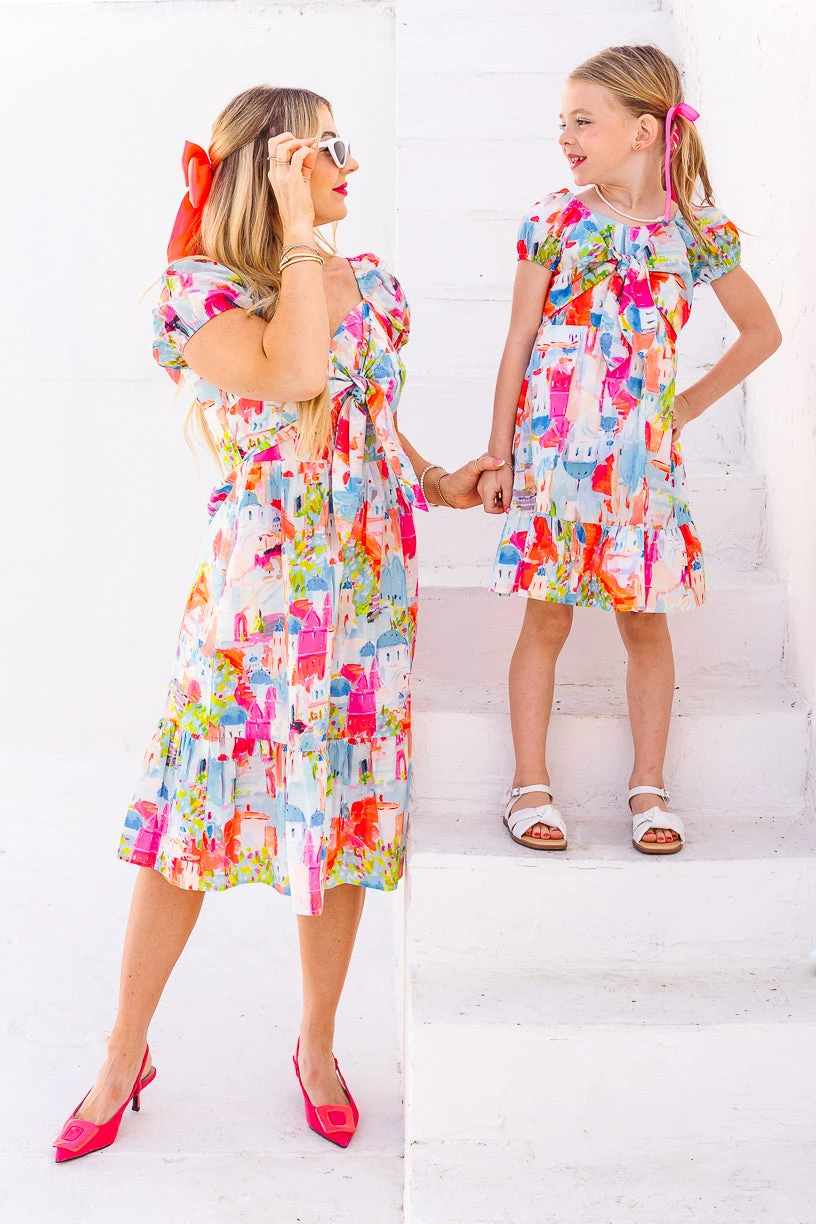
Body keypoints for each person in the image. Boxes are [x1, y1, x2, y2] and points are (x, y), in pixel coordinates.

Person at [52, 84, 503, 1161]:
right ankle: (123, 1051)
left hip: (366, 601)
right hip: (255, 607)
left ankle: (317, 1044)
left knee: (338, 824)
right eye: (327, 147)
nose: (350, 165)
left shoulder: (373, 284)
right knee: (187, 829)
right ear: (275, 165)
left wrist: (439, 481)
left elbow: (367, 421)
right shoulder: (197, 293)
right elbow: (293, 372)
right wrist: (299, 234)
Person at [479, 45, 781, 856]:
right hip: (553, 460)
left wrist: (685, 407)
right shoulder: (556, 218)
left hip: (642, 471)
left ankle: (650, 786)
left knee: (645, 623)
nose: (566, 137)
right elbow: (519, 339)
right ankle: (530, 783)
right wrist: (499, 452)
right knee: (547, 617)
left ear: (645, 131)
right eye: (563, 122)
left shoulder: (695, 231)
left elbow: (762, 333)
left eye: (583, 121)